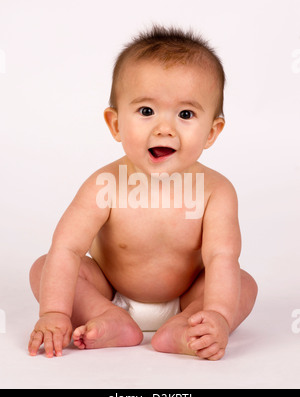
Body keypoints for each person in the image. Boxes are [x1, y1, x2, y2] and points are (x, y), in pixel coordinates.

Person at [28, 26, 258, 360]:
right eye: (146, 111)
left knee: (243, 283)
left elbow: (221, 258)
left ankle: (187, 327)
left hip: (188, 297)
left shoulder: (216, 192)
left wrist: (219, 315)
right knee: (45, 266)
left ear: (212, 131)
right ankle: (106, 316)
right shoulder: (103, 184)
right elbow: (67, 248)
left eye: (186, 114)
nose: (164, 128)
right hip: (109, 292)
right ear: (116, 124)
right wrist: (54, 313)